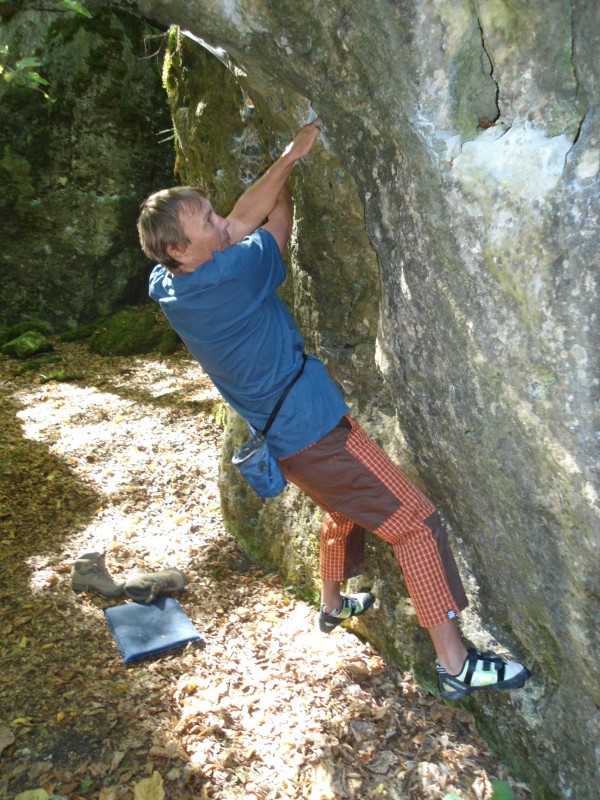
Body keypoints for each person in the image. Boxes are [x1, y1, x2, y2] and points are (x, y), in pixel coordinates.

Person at [137, 118, 531, 700]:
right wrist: (290, 168)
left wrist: (277, 174)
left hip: (291, 443)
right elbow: (272, 221)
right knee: (415, 522)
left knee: (342, 505)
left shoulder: (166, 283)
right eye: (209, 224)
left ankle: (332, 604)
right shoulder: (233, 274)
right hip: (316, 429)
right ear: (179, 248)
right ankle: (455, 663)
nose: (223, 225)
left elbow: (243, 221)